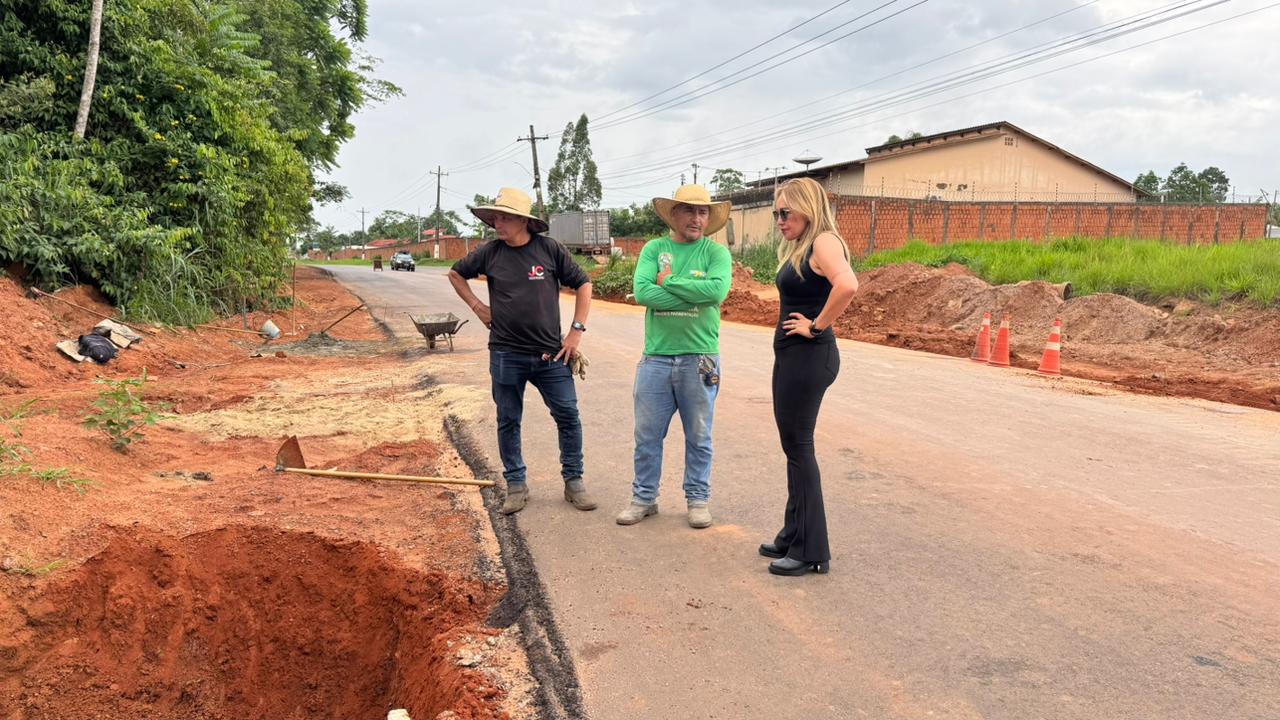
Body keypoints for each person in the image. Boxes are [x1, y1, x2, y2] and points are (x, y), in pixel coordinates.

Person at [449, 187, 596, 515]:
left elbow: (583, 284)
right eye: (495, 218)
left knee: (568, 416)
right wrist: (477, 306)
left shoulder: (549, 249)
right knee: (508, 419)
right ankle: (516, 484)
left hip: (551, 355)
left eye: (504, 218)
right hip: (506, 354)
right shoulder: (489, 253)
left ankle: (574, 481)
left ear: (524, 221)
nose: (497, 223)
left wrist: (575, 332)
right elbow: (456, 274)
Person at [616, 185, 732, 529]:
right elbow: (642, 292)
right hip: (656, 358)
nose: (697, 218)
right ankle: (644, 498)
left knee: (699, 436)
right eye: (689, 210)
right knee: (647, 436)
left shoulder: (716, 253)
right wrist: (694, 295)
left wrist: (667, 282)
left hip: (700, 358)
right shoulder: (655, 249)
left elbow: (716, 292)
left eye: (702, 212)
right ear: (674, 214)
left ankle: (698, 500)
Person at [759, 177, 859, 576]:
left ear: (807, 208)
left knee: (800, 448)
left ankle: (810, 550)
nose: (780, 221)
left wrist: (816, 326)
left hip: (809, 357)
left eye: (786, 212)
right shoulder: (804, 246)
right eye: (776, 214)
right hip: (794, 358)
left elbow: (848, 285)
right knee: (793, 448)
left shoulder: (823, 241)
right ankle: (793, 534)